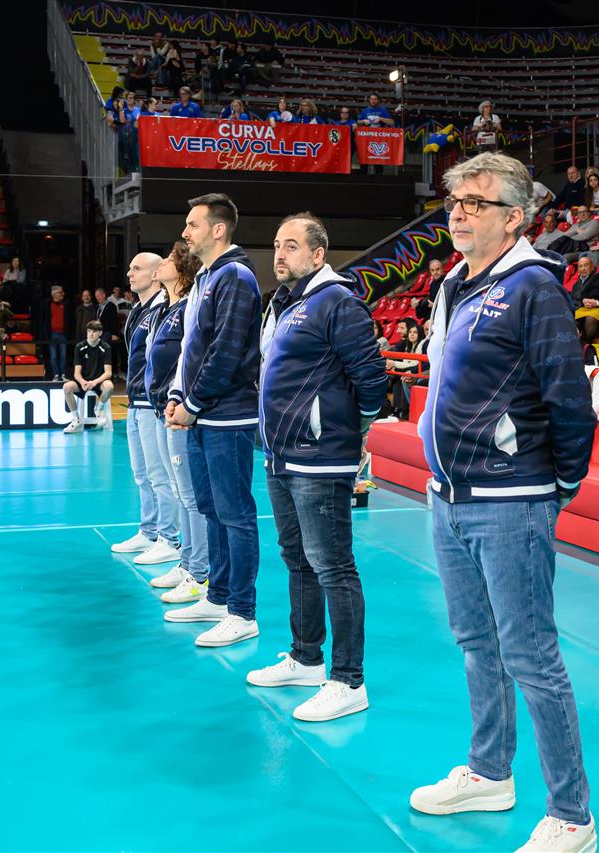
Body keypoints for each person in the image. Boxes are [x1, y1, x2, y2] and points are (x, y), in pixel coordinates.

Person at [410, 153, 597, 853]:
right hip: (449, 495)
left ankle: (572, 816)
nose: (457, 212)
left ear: (514, 217)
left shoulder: (533, 287)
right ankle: (490, 771)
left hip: (511, 497)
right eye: (454, 200)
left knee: (531, 655)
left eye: (475, 202)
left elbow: (569, 399)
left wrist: (561, 485)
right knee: (475, 642)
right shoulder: (455, 283)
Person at [247, 212, 388, 721]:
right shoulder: (286, 303)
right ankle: (307, 658)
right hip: (281, 454)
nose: (279, 254)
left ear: (318, 254)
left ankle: (349, 680)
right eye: (276, 245)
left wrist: (342, 429)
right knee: (297, 558)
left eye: (291, 245)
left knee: (333, 566)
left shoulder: (337, 302)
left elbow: (371, 379)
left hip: (320, 457)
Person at [164, 193, 263, 650]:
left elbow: (226, 351)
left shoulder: (236, 276)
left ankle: (242, 612)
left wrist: (193, 402)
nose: (185, 233)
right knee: (210, 508)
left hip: (227, 416)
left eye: (193, 225)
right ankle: (219, 596)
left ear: (218, 229)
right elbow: (192, 347)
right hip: (203, 415)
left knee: (235, 514)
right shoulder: (207, 277)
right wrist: (178, 396)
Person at [143, 241, 210, 605]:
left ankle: (199, 572)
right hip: (163, 407)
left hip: (179, 411)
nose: (162, 264)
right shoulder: (166, 308)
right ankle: (188, 562)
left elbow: (189, 359)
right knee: (179, 490)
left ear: (182, 269)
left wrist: (180, 400)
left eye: (169, 259)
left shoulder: (187, 308)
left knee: (190, 495)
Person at [109, 252, 182, 567]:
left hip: (152, 404)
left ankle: (170, 537)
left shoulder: (163, 309)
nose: (129, 273)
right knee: (142, 474)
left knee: (159, 475)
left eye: (136, 268)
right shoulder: (138, 310)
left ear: (154, 274)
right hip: (135, 401)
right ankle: (149, 531)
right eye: (129, 268)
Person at [62, 320, 114, 432]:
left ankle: (99, 409)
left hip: (99, 381)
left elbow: (108, 372)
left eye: (94, 331)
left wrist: (95, 382)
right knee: (67, 387)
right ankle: (76, 419)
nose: (91, 334)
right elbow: (76, 373)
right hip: (83, 381)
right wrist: (82, 382)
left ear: (100, 333)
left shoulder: (106, 348)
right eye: (89, 331)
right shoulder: (80, 347)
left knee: (109, 386)